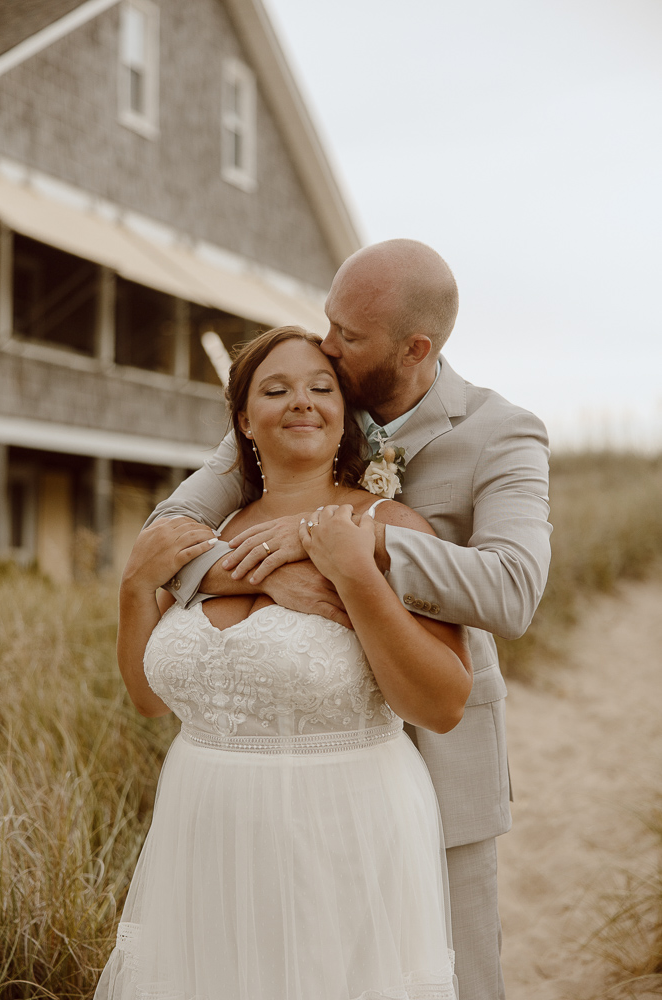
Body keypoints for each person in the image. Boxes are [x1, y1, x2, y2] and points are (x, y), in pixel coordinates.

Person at [148, 239, 552, 1000]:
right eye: (328, 323)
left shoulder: (502, 433)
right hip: (300, 750)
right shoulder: (305, 402)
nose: (327, 347)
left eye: (349, 336)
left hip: (439, 745)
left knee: (452, 977)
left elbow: (512, 590)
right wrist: (266, 575)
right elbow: (171, 527)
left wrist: (362, 544)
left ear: (415, 348)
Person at [95, 327, 472, 1000]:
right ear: (243, 419)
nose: (301, 401)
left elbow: (441, 705)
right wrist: (133, 589)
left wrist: (356, 579)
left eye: (320, 388)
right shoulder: (199, 541)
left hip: (340, 827)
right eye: (276, 389)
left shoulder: (391, 529)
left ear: (346, 415)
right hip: (203, 826)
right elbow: (150, 701)